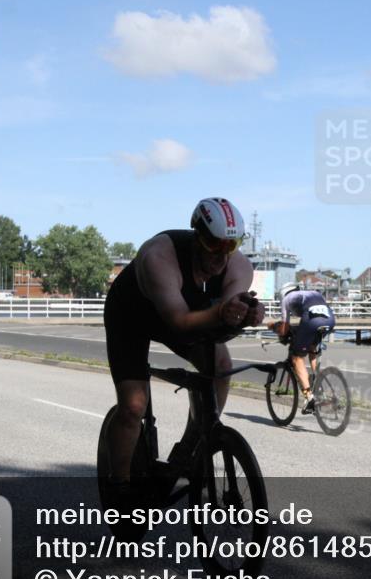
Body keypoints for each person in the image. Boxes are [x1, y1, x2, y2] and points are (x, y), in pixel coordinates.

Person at [103, 198, 264, 486]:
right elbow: (180, 323)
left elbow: (225, 317)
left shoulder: (239, 268)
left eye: (231, 246)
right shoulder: (159, 257)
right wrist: (221, 313)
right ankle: (120, 488)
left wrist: (245, 315)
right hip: (131, 316)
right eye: (215, 245)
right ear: (197, 238)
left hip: (185, 314)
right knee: (133, 406)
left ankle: (190, 449)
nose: (222, 257)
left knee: (221, 366)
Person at [272, 283, 336, 413]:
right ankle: (317, 381)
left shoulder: (286, 299)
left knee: (296, 358)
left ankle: (309, 397)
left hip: (312, 322)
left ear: (283, 294)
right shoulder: (313, 293)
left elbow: (285, 327)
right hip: (330, 320)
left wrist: (282, 336)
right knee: (312, 348)